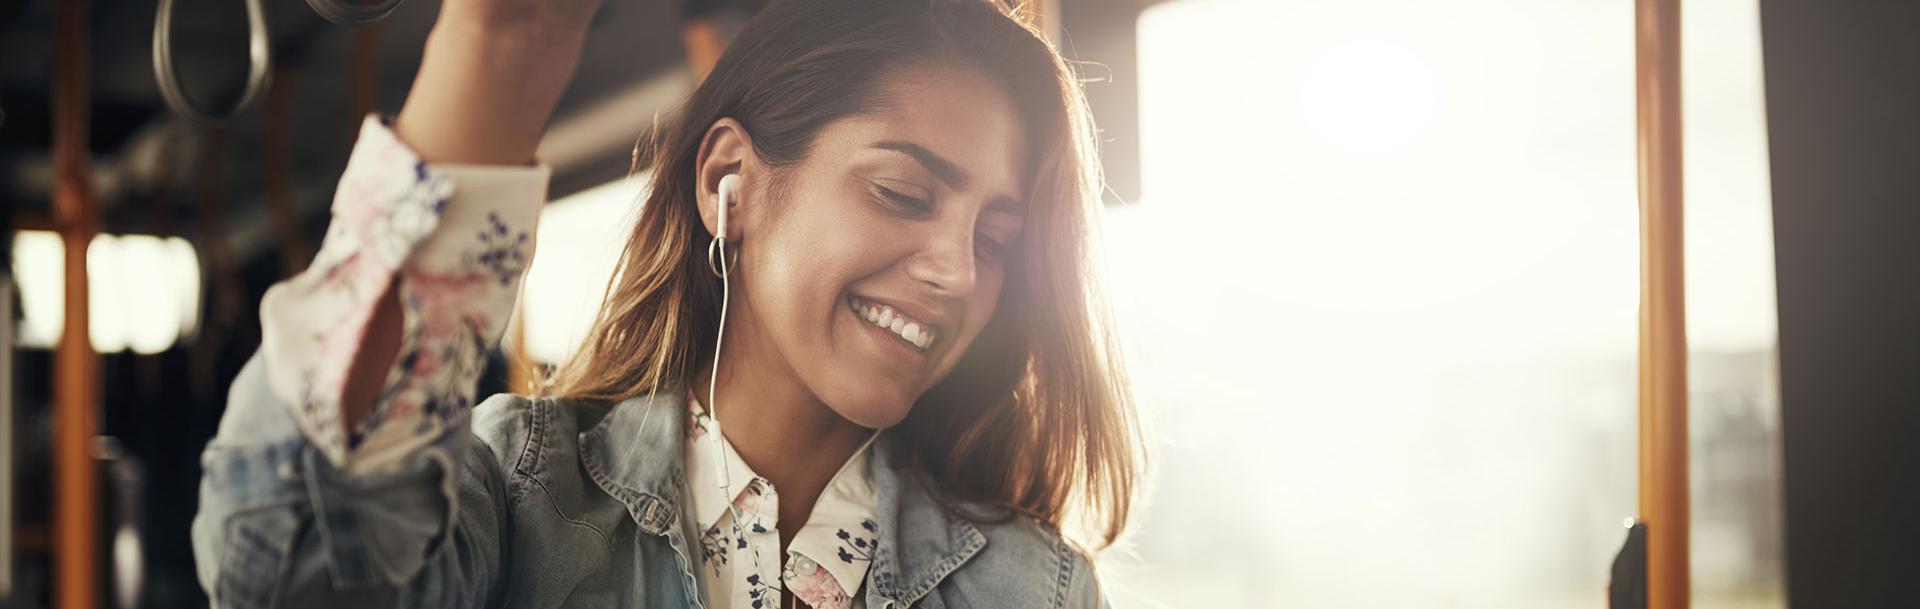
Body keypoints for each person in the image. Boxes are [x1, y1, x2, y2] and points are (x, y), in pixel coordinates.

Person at [189, 0, 1144, 607]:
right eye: (902, 193)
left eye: (995, 240)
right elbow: (295, 566)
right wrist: (503, 43)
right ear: (731, 182)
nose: (958, 273)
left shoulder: (1035, 588)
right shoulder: (518, 495)